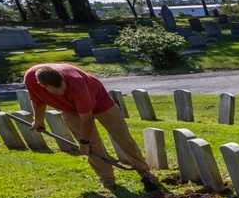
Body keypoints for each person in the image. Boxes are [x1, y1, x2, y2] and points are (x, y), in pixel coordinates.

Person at [23, 63, 157, 190]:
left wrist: (83, 141)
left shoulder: (76, 83)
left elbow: (86, 118)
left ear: (62, 76)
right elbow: (38, 101)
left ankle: (144, 171)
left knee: (122, 137)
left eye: (63, 88)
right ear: (41, 85)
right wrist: (38, 121)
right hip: (70, 110)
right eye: (57, 91)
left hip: (101, 102)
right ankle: (107, 179)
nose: (62, 92)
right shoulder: (30, 79)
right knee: (93, 147)